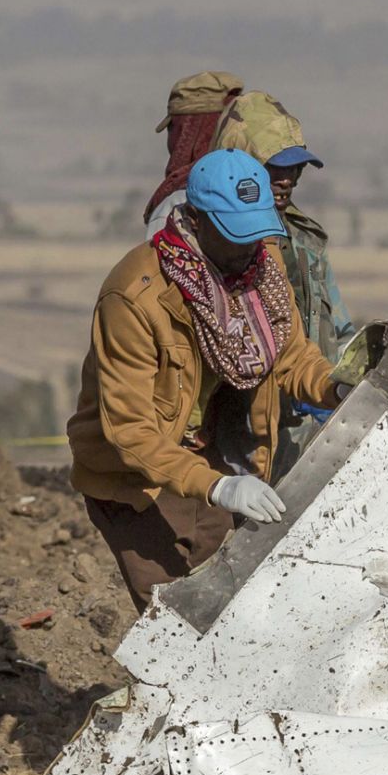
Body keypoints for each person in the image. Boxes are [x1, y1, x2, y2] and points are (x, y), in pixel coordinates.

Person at [69, 150, 344, 610]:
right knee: (172, 619)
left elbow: (291, 356)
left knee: (226, 605)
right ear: (196, 220)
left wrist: (338, 388)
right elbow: (130, 430)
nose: (248, 249)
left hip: (209, 454)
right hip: (137, 480)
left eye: (256, 233)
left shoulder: (259, 270)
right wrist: (219, 487)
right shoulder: (135, 297)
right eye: (235, 235)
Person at [212, 91, 355, 479]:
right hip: (238, 429)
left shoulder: (303, 238)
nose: (287, 179)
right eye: (274, 168)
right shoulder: (212, 242)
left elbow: (335, 323)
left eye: (295, 169)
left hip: (304, 421)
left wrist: (343, 380)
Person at [144, 70, 244, 235]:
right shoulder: (255, 190)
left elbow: (156, 259)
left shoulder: (178, 204)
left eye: (173, 128)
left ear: (186, 132)